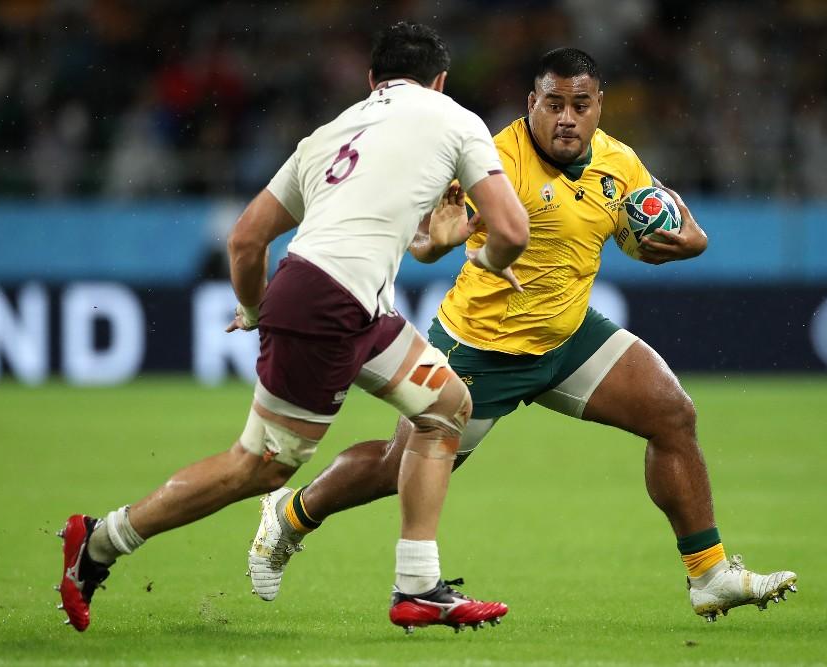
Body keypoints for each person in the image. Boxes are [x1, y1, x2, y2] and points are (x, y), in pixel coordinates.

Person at [247, 47, 797, 623]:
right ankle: (289, 516)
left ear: (598, 106)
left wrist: (691, 242)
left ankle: (709, 576)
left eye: (580, 105)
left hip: (568, 339)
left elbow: (654, 225)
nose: (567, 117)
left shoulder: (620, 163)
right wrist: (435, 242)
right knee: (394, 467)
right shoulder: (492, 159)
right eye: (553, 104)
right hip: (480, 348)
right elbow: (426, 238)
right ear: (531, 104)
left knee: (672, 414)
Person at [57, 21, 529, 634]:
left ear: (371, 80)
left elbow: (246, 239)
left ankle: (418, 586)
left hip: (345, 303)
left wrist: (254, 309)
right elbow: (512, 233)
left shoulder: (328, 136)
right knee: (259, 466)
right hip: (332, 306)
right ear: (440, 81)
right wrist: (483, 258)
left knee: (445, 407)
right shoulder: (454, 119)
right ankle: (100, 543)